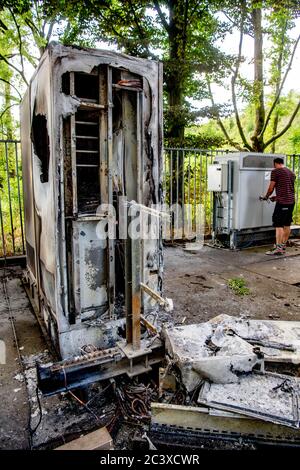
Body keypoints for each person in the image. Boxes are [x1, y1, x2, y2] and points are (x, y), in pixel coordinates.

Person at [261, 157, 295, 255]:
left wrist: (266, 196)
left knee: (278, 224)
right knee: (287, 224)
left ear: (275, 164)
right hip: (291, 202)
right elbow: (288, 189)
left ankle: (278, 249)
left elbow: (271, 187)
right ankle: (282, 246)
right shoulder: (291, 172)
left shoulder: (276, 172)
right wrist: (276, 197)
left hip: (283, 203)